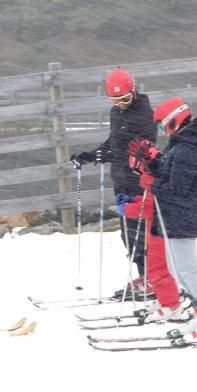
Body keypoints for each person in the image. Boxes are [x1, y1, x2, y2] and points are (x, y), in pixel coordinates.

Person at [129, 96, 197, 343]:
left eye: (163, 125)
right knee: (179, 269)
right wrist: (154, 162)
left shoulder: (188, 148)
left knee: (189, 269)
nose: (162, 131)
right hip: (176, 212)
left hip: (182, 212)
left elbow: (178, 187)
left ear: (173, 120)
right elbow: (172, 172)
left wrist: (152, 181)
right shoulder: (183, 144)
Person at [70, 68, 161, 301]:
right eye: (115, 100)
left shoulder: (143, 115)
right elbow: (115, 142)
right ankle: (145, 277)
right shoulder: (117, 113)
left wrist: (109, 155)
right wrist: (91, 155)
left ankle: (154, 278)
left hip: (138, 182)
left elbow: (138, 149)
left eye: (124, 99)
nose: (121, 104)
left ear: (134, 91)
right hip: (120, 181)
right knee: (128, 234)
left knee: (141, 232)